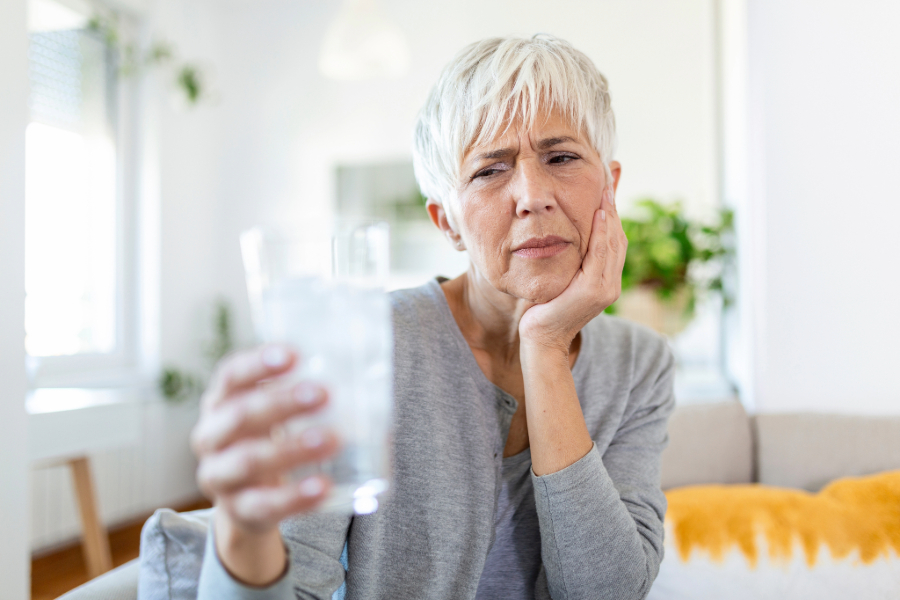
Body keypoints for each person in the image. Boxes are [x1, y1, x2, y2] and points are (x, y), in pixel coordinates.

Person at [189, 34, 675, 600]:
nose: (532, 194)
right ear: (446, 223)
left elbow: (607, 592)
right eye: (490, 170)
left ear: (609, 189)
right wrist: (243, 530)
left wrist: (544, 344)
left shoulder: (642, 363)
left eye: (561, 157)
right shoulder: (361, 343)